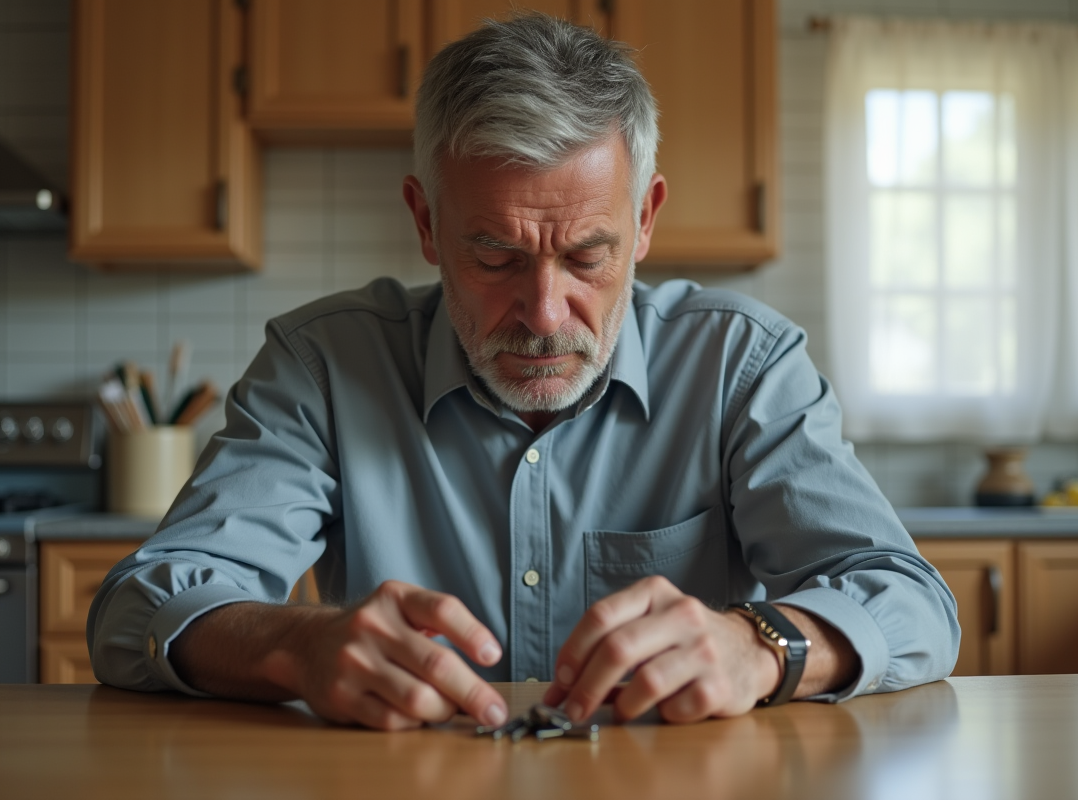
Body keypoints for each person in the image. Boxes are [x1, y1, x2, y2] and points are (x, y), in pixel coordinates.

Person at [88, 13, 959, 731]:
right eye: (496, 256)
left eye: (587, 257)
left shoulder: (744, 365)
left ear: (646, 220)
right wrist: (296, 644)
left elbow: (912, 603)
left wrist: (761, 643)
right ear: (427, 224)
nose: (545, 315)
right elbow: (136, 609)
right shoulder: (322, 367)